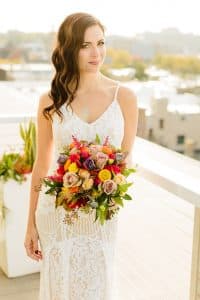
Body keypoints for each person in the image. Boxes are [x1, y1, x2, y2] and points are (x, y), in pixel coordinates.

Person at [24, 12, 138, 300]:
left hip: (101, 216)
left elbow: (126, 161)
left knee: (97, 286)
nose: (96, 53)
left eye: (100, 43)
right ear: (69, 48)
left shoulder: (124, 97)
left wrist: (106, 183)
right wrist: (30, 225)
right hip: (56, 214)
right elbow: (42, 164)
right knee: (60, 287)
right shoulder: (50, 101)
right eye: (85, 45)